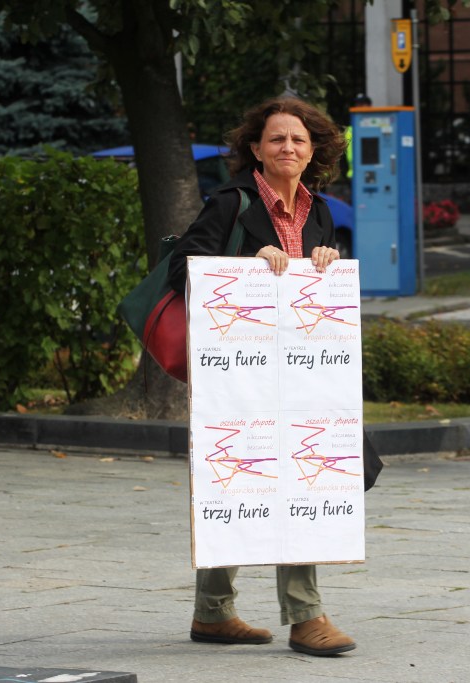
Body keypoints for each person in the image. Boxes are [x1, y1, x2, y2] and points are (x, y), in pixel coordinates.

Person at [167, 96, 354, 657]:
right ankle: (219, 614)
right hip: (240, 375)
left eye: (298, 140)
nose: (288, 148)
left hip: (300, 374)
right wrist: (245, 268)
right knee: (237, 482)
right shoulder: (232, 203)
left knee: (303, 476)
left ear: (312, 149)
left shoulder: (319, 209)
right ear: (255, 148)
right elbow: (183, 268)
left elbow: (319, 283)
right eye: (276, 139)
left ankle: (297, 615)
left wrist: (326, 260)